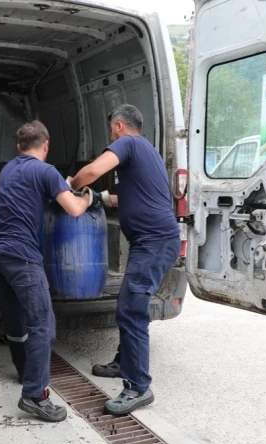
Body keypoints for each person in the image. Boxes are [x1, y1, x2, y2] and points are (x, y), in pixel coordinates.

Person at [0, 120, 101, 422]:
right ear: (46, 145)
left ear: (19, 146)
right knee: (42, 325)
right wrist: (88, 197)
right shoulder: (46, 171)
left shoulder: (8, 169)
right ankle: (35, 395)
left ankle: (25, 373)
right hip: (20, 255)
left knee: (15, 319)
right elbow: (74, 209)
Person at [69, 104, 180, 416]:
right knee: (130, 304)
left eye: (111, 129)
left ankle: (138, 386)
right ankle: (123, 362)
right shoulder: (148, 150)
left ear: (118, 125)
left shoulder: (128, 143)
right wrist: (100, 198)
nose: (111, 135)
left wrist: (69, 186)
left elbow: (92, 172)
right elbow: (135, 196)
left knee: (131, 310)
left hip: (154, 243)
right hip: (154, 242)